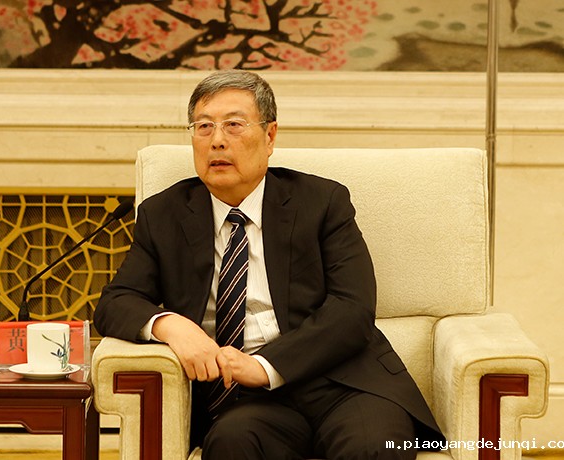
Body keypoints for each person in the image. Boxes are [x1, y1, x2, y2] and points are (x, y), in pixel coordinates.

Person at [94, 69, 444, 460]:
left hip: (344, 384)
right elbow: (115, 302)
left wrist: (265, 365)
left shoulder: (321, 202)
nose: (217, 140)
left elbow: (352, 308)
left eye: (234, 125)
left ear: (270, 136)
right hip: (248, 401)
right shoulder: (164, 214)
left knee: (372, 447)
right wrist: (170, 325)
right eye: (204, 126)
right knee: (231, 444)